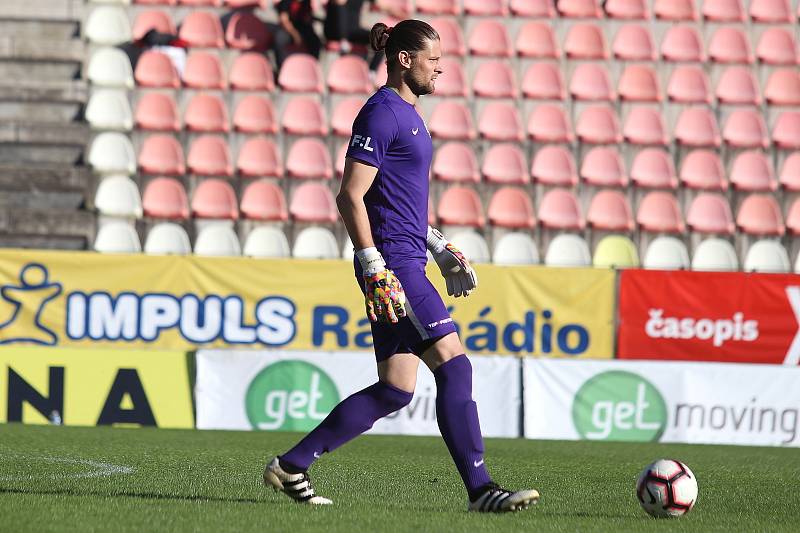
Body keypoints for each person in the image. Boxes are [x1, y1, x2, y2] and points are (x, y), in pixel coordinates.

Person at [264, 20, 540, 513]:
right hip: (393, 265)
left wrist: (435, 243)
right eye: (434, 59)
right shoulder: (382, 114)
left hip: (409, 256)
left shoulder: (408, 115)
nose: (442, 68)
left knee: (395, 389)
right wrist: (372, 262)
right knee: (455, 367)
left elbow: (395, 198)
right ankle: (481, 490)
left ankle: (290, 466)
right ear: (406, 60)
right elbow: (350, 196)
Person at [323, 0, 407, 71]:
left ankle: (371, 72)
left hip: (352, 31)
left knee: (381, 39)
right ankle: (343, 40)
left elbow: (379, 4)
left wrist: (396, 12)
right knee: (339, 5)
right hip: (334, 31)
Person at [271, 0, 322, 69]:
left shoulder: (306, 2)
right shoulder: (285, 2)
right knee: (279, 39)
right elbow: (284, 20)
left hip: (303, 29)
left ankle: (312, 68)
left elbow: (307, 18)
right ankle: (281, 69)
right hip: (288, 30)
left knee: (316, 41)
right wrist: (295, 35)